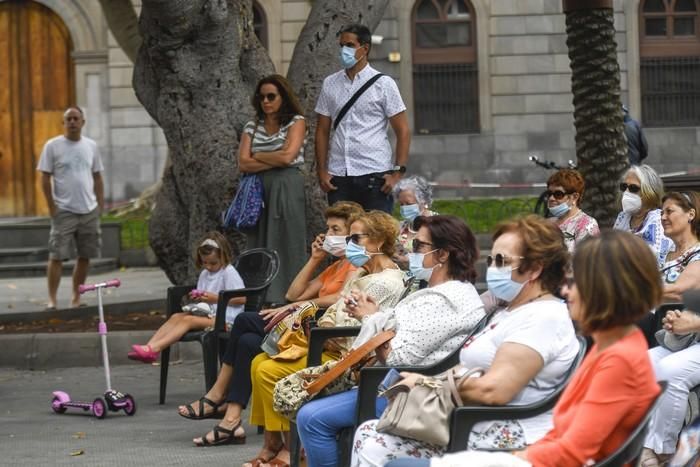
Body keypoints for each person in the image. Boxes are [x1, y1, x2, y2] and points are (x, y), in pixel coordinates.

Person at [383, 230, 662, 467]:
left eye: (575, 283)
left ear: (605, 290)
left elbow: (573, 451)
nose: (567, 291)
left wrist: (514, 456)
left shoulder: (620, 358)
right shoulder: (616, 345)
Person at [351, 215, 580, 466]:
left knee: (376, 442)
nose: (493, 269)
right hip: (471, 423)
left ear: (535, 268)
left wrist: (429, 384)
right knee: (370, 435)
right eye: (491, 260)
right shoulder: (510, 311)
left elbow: (494, 390)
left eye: (502, 261)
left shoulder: (542, 318)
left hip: (504, 439)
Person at [296, 215, 486, 467]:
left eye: (419, 246)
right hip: (399, 385)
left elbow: (399, 357)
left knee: (311, 418)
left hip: (409, 394)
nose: (411, 251)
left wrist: (370, 319)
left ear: (443, 255)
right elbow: (407, 333)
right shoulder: (444, 292)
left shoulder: (445, 300)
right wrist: (374, 316)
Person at [175, 201, 363, 440]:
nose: (328, 235)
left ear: (352, 233)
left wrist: (297, 306)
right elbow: (293, 294)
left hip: (317, 330)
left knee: (244, 320)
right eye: (328, 229)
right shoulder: (335, 266)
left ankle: (217, 395)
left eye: (336, 230)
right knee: (247, 343)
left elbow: (340, 296)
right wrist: (315, 259)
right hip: (301, 323)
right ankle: (232, 419)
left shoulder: (356, 265)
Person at [243, 211, 407, 467]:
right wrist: (320, 323)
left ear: (377, 241)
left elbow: (351, 327)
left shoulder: (385, 282)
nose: (350, 245)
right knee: (257, 362)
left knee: (267, 370)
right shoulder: (362, 273)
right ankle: (272, 444)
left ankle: (292, 451)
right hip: (329, 341)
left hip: (345, 353)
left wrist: (322, 328)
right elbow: (333, 312)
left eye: (356, 238)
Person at [315, 23, 411, 213]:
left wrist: (397, 173)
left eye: (350, 45)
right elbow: (322, 130)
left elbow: (403, 131)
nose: (344, 50)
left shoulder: (384, 84)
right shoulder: (330, 83)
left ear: (364, 48)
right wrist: (322, 171)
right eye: (342, 45)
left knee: (376, 237)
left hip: (375, 175)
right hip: (339, 176)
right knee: (341, 238)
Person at [239, 74, 307, 304]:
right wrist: (273, 157)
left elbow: (288, 157)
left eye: (271, 96)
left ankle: (289, 296)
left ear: (282, 97)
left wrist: (257, 155)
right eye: (261, 97)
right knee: (259, 240)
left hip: (287, 185)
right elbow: (243, 163)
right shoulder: (252, 125)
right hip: (258, 190)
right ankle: (260, 297)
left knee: (288, 238)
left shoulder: (296, 121)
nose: (266, 101)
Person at [128, 232, 245, 363]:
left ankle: (155, 348)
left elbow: (241, 298)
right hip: (210, 315)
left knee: (187, 321)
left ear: (223, 257)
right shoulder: (205, 274)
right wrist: (198, 297)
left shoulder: (228, 272)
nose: (208, 266)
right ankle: (149, 348)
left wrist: (214, 298)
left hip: (227, 320)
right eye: (204, 262)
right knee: (176, 317)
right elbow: (205, 297)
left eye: (213, 263)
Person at [37, 106, 104, 310]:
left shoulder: (91, 146)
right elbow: (44, 177)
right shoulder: (53, 146)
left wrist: (100, 204)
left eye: (76, 118)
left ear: (83, 122)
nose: (73, 122)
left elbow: (97, 176)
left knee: (85, 255)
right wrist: (51, 206)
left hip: (88, 210)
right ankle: (52, 299)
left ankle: (76, 298)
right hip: (64, 210)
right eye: (69, 119)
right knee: (56, 255)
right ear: (64, 123)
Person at [613, 164, 673, 268]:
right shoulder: (623, 217)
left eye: (633, 188)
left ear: (649, 192)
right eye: (624, 187)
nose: (626, 192)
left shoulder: (659, 220)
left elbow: (655, 261)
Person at [659, 192, 700, 302]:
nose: (663, 217)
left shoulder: (698, 253)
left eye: (669, 211)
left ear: (691, 214)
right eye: (661, 213)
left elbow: (680, 291)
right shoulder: (663, 253)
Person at [544, 169, 599, 252]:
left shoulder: (587, 224)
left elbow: (586, 261)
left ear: (574, 197)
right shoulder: (547, 224)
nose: (551, 198)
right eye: (549, 194)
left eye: (558, 194)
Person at [393, 175, 438, 268]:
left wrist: (411, 261)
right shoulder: (401, 226)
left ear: (424, 201)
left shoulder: (439, 225)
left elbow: (442, 255)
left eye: (409, 204)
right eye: (401, 204)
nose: (404, 208)